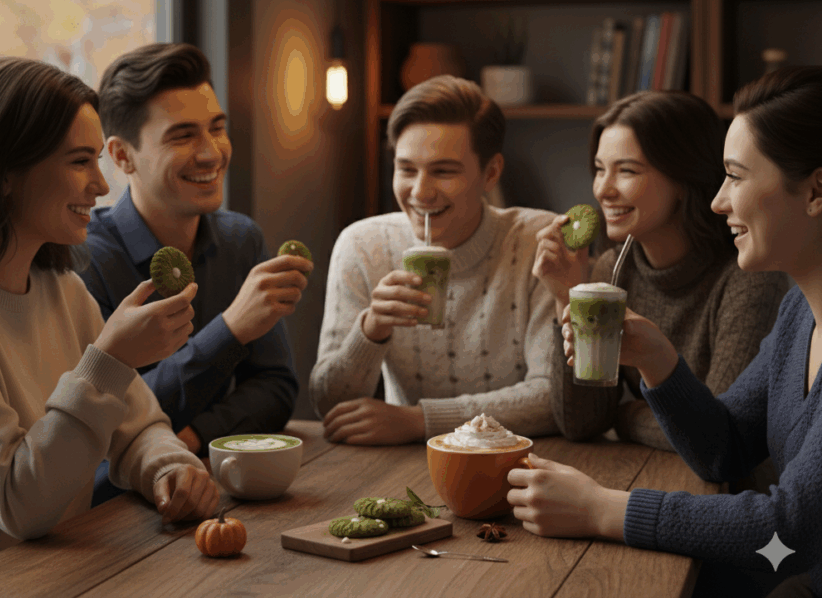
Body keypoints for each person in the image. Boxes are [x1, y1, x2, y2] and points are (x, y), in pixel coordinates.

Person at [508, 68, 822, 596]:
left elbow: (783, 528)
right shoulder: (800, 313)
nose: (719, 200)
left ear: (816, 190)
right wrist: (658, 360)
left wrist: (600, 508)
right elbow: (725, 449)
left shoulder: (768, 297)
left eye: (737, 177)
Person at [0, 57, 218, 565]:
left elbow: (138, 429)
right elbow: (19, 505)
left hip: (69, 572)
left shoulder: (65, 291)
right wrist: (109, 360)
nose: (102, 186)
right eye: (79, 161)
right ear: (4, 174)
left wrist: (168, 467)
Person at [79, 43, 306, 504]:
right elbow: (105, 419)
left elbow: (277, 389)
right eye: (182, 136)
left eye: (217, 128)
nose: (211, 154)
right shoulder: (83, 260)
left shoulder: (241, 240)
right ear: (122, 157)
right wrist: (230, 331)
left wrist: (185, 441)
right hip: (107, 515)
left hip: (203, 487)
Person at [534, 90, 788, 467]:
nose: (603, 189)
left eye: (627, 170)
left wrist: (626, 415)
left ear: (684, 177)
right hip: (646, 471)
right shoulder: (611, 272)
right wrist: (566, 296)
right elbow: (581, 424)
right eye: (600, 168)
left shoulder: (746, 279)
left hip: (724, 496)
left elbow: (716, 434)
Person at [309, 75, 559, 445]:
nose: (421, 192)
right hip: (402, 465)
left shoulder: (537, 240)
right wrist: (371, 330)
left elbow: (551, 398)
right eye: (407, 169)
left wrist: (419, 421)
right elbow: (330, 405)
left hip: (519, 461)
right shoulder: (362, 246)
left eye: (443, 171)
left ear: (490, 173)